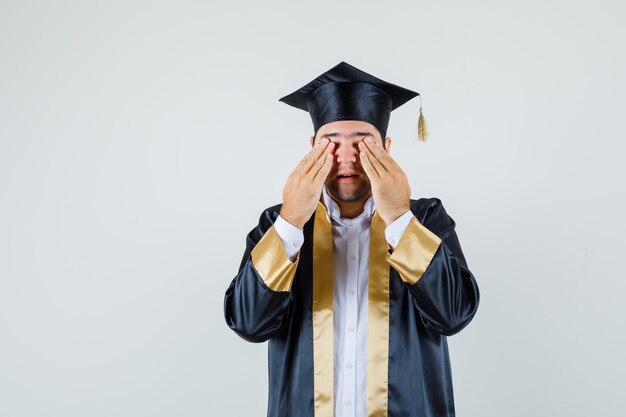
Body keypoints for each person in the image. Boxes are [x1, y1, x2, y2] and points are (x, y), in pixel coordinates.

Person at [223, 61, 480, 417]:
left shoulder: (426, 219)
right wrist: (292, 218)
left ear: (386, 148)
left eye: (364, 143)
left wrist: (399, 217)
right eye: (331, 143)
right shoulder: (278, 224)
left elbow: (454, 314)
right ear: (311, 147)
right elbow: (248, 322)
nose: (346, 157)